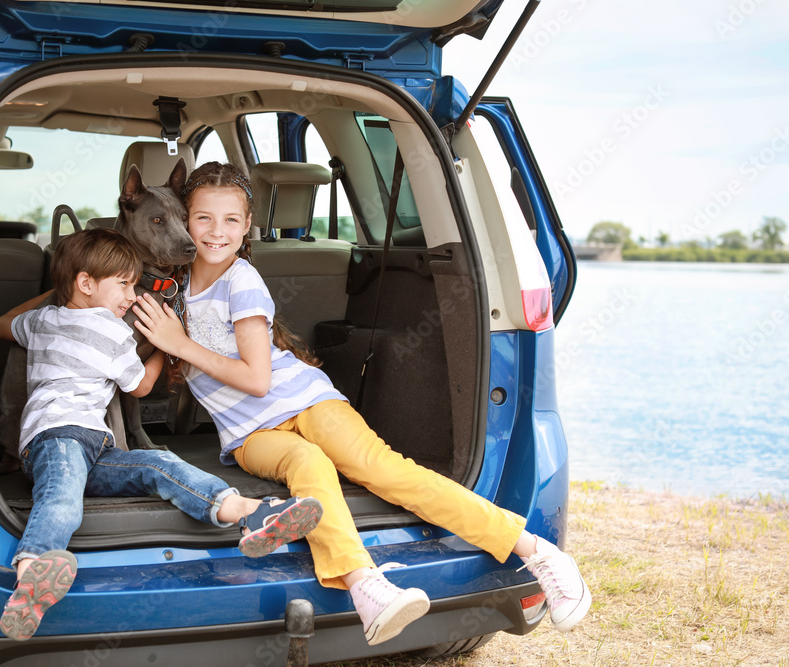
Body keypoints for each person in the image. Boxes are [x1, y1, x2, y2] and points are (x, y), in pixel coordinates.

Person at [131, 162, 592, 646]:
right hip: (250, 436)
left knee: (385, 471)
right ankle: (369, 586)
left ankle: (539, 553)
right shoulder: (172, 291)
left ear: (248, 227)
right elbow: (143, 386)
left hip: (305, 402)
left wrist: (179, 344)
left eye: (230, 220)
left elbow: (259, 379)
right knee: (306, 464)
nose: (215, 232)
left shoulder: (241, 280)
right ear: (185, 220)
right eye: (202, 218)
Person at [0, 227, 323, 641]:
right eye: (125, 284)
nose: (132, 296)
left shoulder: (40, 321)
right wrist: (168, 347)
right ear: (85, 283)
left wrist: (52, 295)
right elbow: (141, 387)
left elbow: (1, 324)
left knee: (157, 465)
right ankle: (31, 576)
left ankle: (248, 511)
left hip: (91, 446)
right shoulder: (112, 330)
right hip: (58, 436)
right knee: (63, 498)